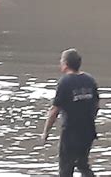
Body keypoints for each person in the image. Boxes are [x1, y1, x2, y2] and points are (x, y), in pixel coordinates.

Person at [42, 48, 100, 177]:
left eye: (61, 61)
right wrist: (89, 119)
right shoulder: (90, 80)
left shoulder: (65, 82)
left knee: (66, 169)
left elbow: (54, 111)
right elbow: (96, 106)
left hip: (71, 134)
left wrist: (46, 132)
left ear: (66, 64)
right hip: (88, 132)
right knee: (82, 164)